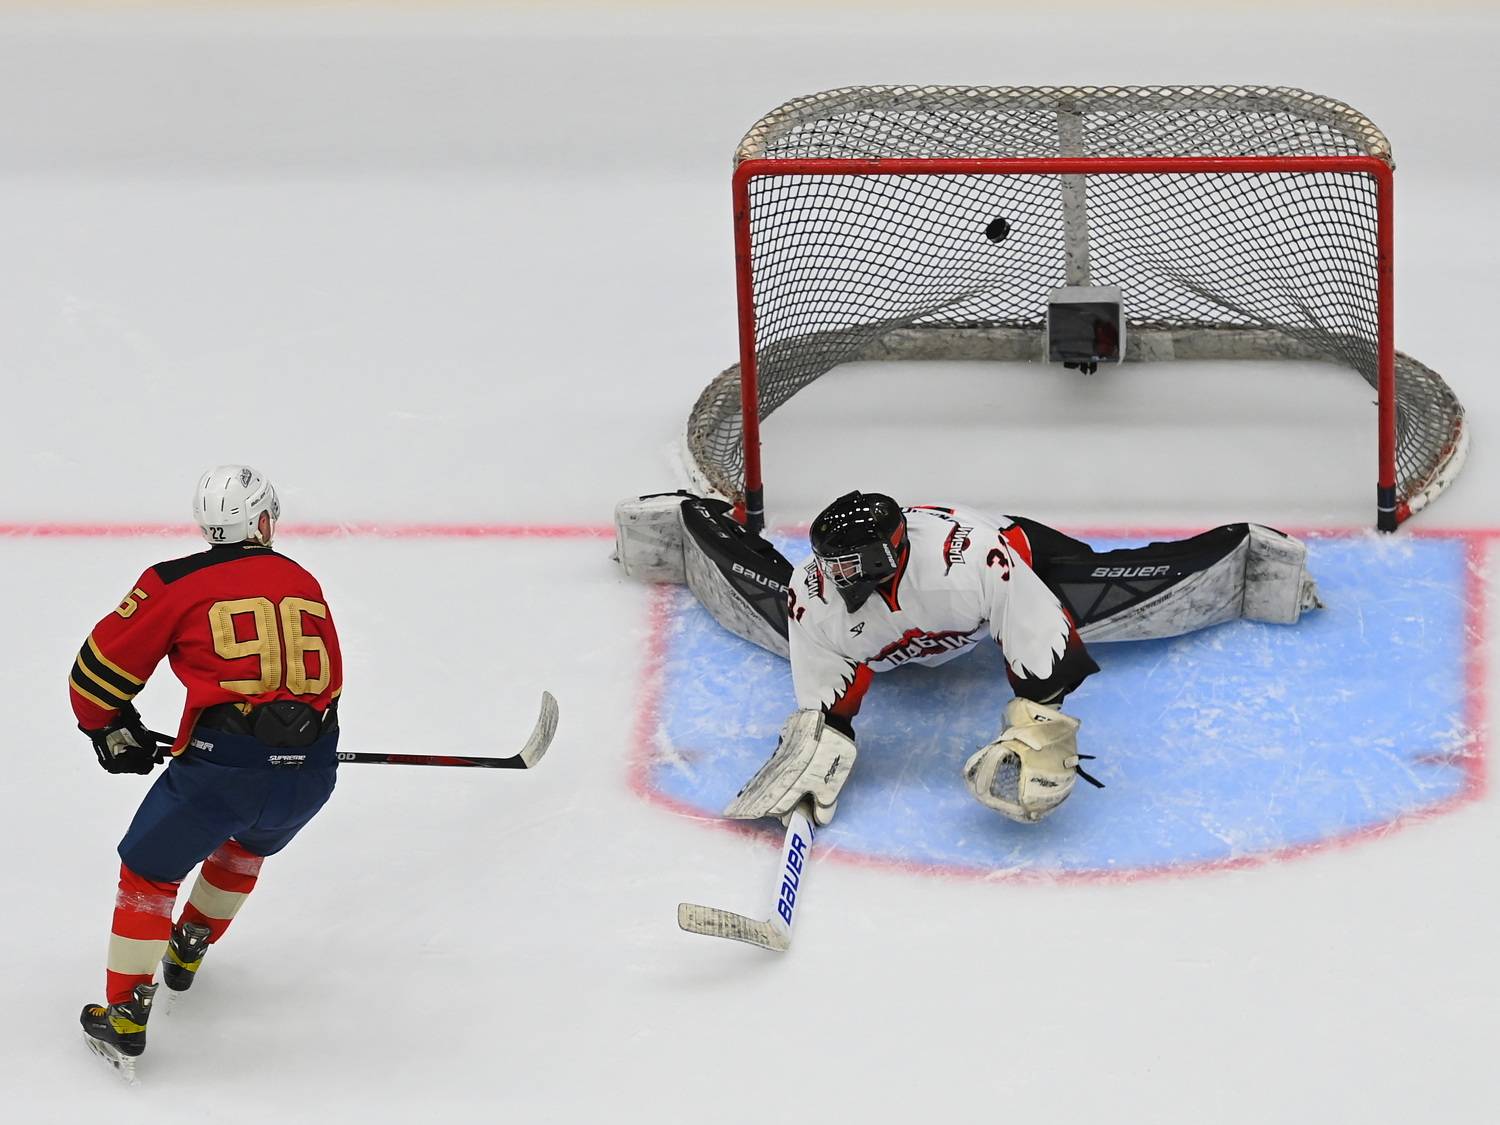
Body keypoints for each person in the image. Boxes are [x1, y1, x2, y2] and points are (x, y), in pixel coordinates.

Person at [724, 491, 1320, 829]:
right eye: (829, 563)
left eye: (848, 564)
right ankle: (693, 520)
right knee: (764, 605)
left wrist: (1041, 721)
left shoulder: (968, 563)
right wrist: (819, 738)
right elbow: (825, 698)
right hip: (913, 620)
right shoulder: (815, 597)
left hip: (1019, 553)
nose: (834, 575)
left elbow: (1037, 628)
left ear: (886, 553)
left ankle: (1250, 556)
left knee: (1121, 591)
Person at [72, 466, 342, 1077]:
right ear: (263, 520)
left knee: (149, 873)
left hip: (223, 773)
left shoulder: (173, 581)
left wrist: (108, 727)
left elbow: (97, 672)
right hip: (311, 774)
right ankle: (191, 942)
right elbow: (324, 681)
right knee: (245, 847)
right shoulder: (302, 578)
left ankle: (124, 1015)